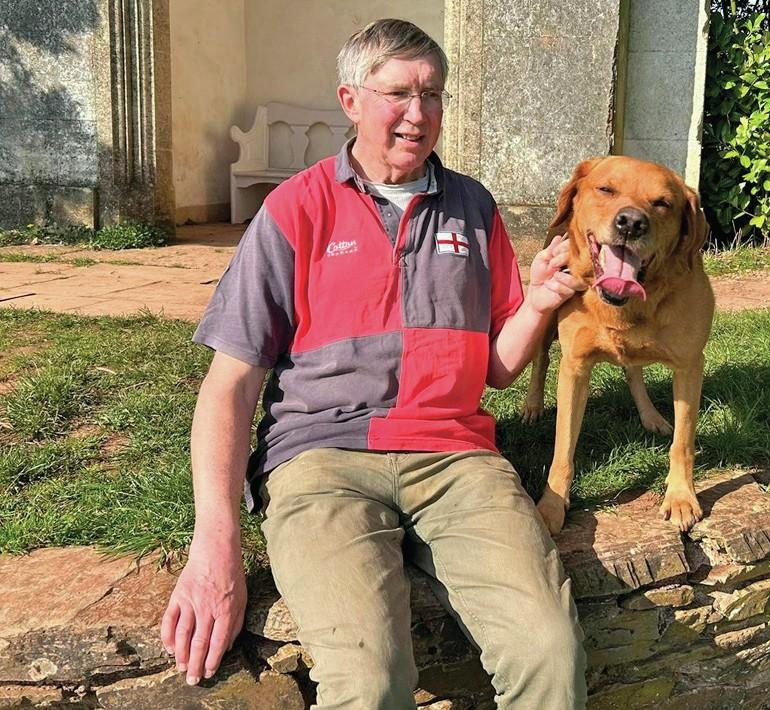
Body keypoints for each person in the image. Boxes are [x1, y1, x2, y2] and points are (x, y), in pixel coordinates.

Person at [161, 18, 588, 709]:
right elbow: (230, 388)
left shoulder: (472, 207)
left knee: (551, 655)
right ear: (351, 99)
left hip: (457, 461)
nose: (419, 114)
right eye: (398, 93)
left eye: (434, 94)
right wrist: (214, 546)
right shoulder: (294, 209)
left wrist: (536, 303)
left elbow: (500, 370)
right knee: (370, 682)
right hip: (322, 463)